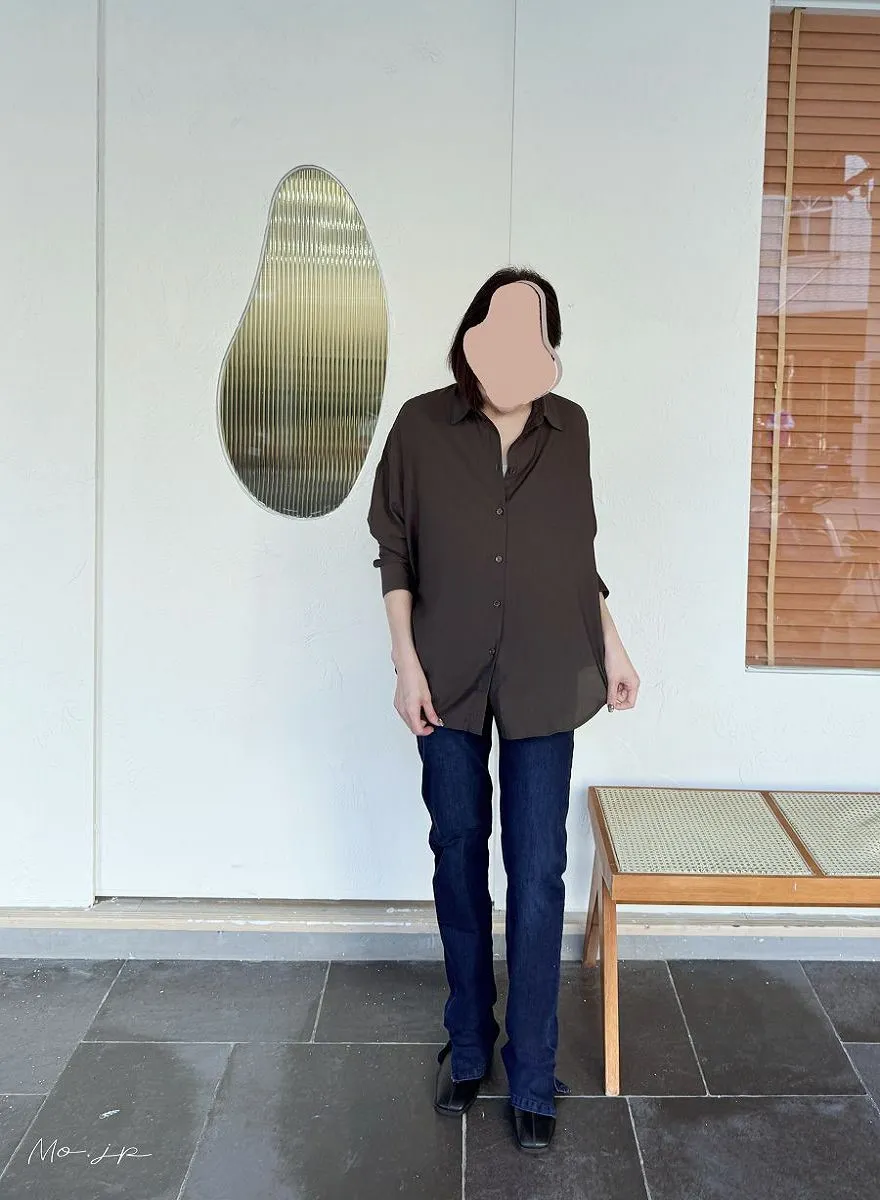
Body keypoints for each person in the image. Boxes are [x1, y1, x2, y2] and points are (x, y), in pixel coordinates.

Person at [367, 266, 639, 1153]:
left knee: (539, 869)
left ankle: (533, 1067)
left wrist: (614, 646)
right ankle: (468, 1041)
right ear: (473, 334)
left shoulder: (571, 430)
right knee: (457, 855)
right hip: (444, 676)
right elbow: (395, 551)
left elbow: (576, 554)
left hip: (546, 670)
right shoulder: (420, 426)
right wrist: (406, 665)